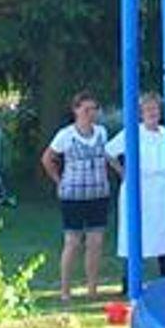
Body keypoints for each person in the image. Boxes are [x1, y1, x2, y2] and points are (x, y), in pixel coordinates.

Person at [41, 91, 112, 302]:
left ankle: (92, 289)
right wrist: (59, 180)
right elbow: (47, 158)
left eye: (94, 109)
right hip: (73, 196)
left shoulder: (102, 132)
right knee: (73, 242)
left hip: (98, 194)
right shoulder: (66, 135)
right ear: (76, 110)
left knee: (96, 242)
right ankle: (65, 290)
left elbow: (107, 156)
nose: (90, 114)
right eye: (86, 109)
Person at [106, 91, 165, 278]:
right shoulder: (132, 132)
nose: (152, 113)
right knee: (134, 235)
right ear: (141, 112)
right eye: (148, 109)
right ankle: (130, 282)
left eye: (155, 109)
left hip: (162, 191)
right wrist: (123, 172)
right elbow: (108, 152)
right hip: (139, 189)